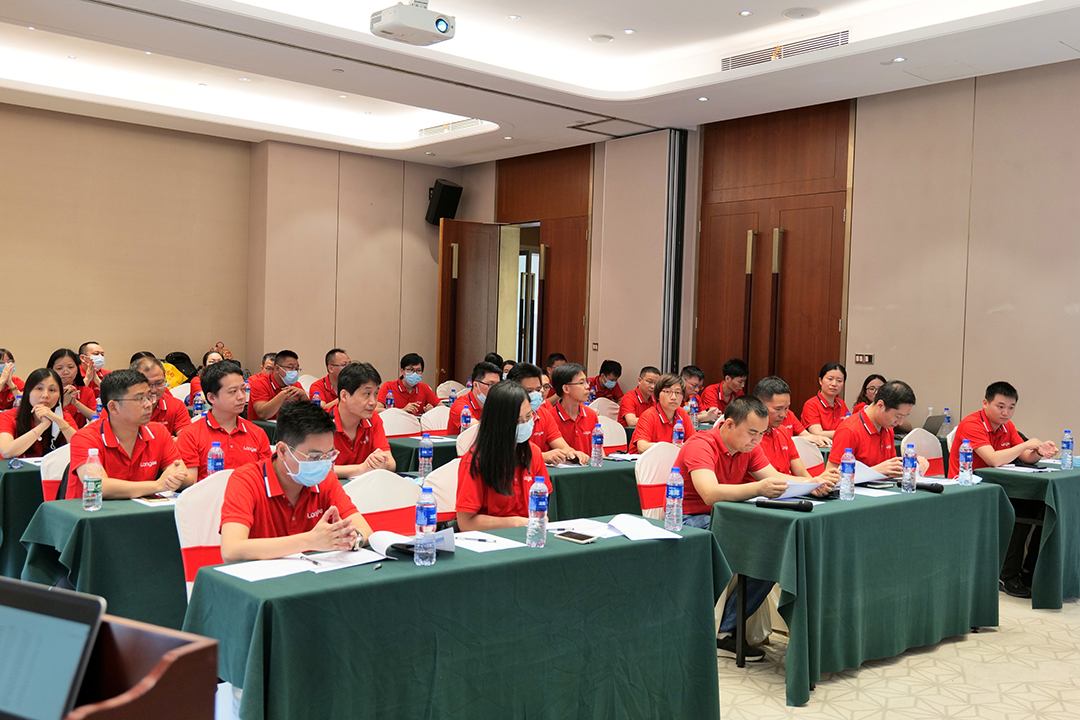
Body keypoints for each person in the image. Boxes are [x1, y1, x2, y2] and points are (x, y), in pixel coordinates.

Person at [675, 396, 832, 661]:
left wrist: (812, 483)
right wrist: (757, 488)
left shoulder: (749, 447)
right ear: (728, 424)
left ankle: (725, 628)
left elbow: (776, 477)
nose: (757, 440)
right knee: (763, 546)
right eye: (751, 433)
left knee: (775, 551)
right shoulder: (700, 444)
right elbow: (709, 494)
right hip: (692, 519)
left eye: (761, 433)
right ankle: (718, 628)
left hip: (730, 518)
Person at [219, 401, 373, 562]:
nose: (323, 464)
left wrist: (351, 539)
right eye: (314, 457)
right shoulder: (246, 480)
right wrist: (310, 540)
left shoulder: (326, 479)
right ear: (283, 451)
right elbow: (231, 550)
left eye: (328, 455)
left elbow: (365, 530)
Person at [949, 381, 1057, 598]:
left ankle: (1029, 572)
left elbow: (1025, 457)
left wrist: (1039, 452)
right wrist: (1026, 444)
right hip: (969, 488)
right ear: (985, 403)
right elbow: (994, 459)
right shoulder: (972, 424)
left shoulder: (1007, 426)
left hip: (999, 487)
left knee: (1044, 508)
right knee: (1018, 511)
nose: (1006, 413)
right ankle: (1006, 575)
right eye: (1000, 406)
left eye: (1011, 407)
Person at [66, 369, 188, 499]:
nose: (149, 404)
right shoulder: (85, 438)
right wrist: (158, 485)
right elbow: (98, 486)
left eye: (149, 397)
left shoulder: (158, 432)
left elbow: (186, 477)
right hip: (91, 509)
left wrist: (177, 476)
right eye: (140, 399)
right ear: (113, 407)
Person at [456, 381, 551, 531]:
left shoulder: (534, 453)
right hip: (490, 539)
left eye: (528, 417)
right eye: (518, 421)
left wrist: (540, 519)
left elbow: (541, 509)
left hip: (528, 536)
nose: (525, 424)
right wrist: (515, 523)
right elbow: (466, 523)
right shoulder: (475, 460)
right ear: (499, 423)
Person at [177, 361, 272, 483]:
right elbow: (191, 483)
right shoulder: (191, 435)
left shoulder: (257, 433)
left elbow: (266, 477)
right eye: (233, 391)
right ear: (211, 398)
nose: (241, 396)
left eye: (243, 389)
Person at [826, 380, 928, 476]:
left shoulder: (887, 428)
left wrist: (913, 465)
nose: (900, 422)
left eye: (904, 417)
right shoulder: (849, 430)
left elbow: (891, 471)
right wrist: (875, 471)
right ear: (880, 405)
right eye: (897, 416)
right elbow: (831, 477)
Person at [749, 377, 840, 481]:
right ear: (760, 406)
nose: (784, 415)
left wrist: (817, 483)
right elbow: (773, 478)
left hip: (791, 488)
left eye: (787, 408)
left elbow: (802, 474)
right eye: (778, 409)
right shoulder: (750, 438)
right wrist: (812, 482)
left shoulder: (783, 432)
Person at [506, 363, 588, 464]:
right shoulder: (504, 416)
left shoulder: (544, 414)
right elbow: (505, 453)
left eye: (538, 389)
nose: (535, 394)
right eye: (529, 391)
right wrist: (542, 456)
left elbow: (561, 445)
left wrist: (572, 453)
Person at [330, 362, 395, 477]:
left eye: (375, 394)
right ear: (344, 396)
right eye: (367, 394)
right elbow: (316, 469)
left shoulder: (373, 419)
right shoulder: (320, 422)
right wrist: (362, 468)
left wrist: (381, 463)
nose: (373, 402)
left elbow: (391, 463)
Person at [0, 368, 78, 459]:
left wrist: (58, 420)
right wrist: (43, 425)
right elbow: (6, 452)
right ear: (28, 392)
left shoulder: (64, 418)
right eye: (39, 388)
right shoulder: (8, 416)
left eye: (52, 390)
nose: (45, 395)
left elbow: (81, 447)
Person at [542, 363, 601, 455]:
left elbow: (598, 449)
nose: (587, 386)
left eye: (587, 381)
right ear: (566, 389)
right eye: (581, 383)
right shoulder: (550, 418)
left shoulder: (591, 415)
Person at [631, 373, 696, 452]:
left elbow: (695, 442)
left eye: (678, 392)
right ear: (658, 395)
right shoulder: (649, 415)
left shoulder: (681, 413)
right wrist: (672, 447)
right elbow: (642, 447)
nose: (673, 397)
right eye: (668, 392)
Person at [131, 357, 192, 436]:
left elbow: (187, 438)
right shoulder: (123, 408)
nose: (154, 390)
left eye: (159, 383)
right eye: (148, 384)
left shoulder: (176, 406)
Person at [248, 350, 308, 420]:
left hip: (288, 425)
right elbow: (263, 414)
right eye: (290, 368)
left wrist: (303, 395)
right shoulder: (260, 383)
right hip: (262, 426)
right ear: (276, 369)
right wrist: (284, 394)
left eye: (296, 369)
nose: (294, 372)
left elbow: (309, 415)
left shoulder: (296, 385)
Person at [448, 362, 501, 434]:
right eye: (491, 384)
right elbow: (476, 429)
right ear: (476, 385)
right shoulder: (461, 406)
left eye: (498, 385)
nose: (496, 389)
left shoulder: (496, 403)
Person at [48, 349, 97, 427]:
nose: (66, 372)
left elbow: (96, 418)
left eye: (70, 367)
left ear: (77, 369)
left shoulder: (86, 392)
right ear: (51, 370)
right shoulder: (46, 392)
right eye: (59, 368)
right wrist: (63, 404)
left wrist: (76, 403)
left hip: (80, 433)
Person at [801, 363, 850, 438]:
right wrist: (845, 432)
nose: (834, 384)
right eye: (830, 379)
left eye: (839, 381)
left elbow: (850, 426)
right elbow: (817, 433)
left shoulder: (841, 403)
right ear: (820, 381)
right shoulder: (811, 404)